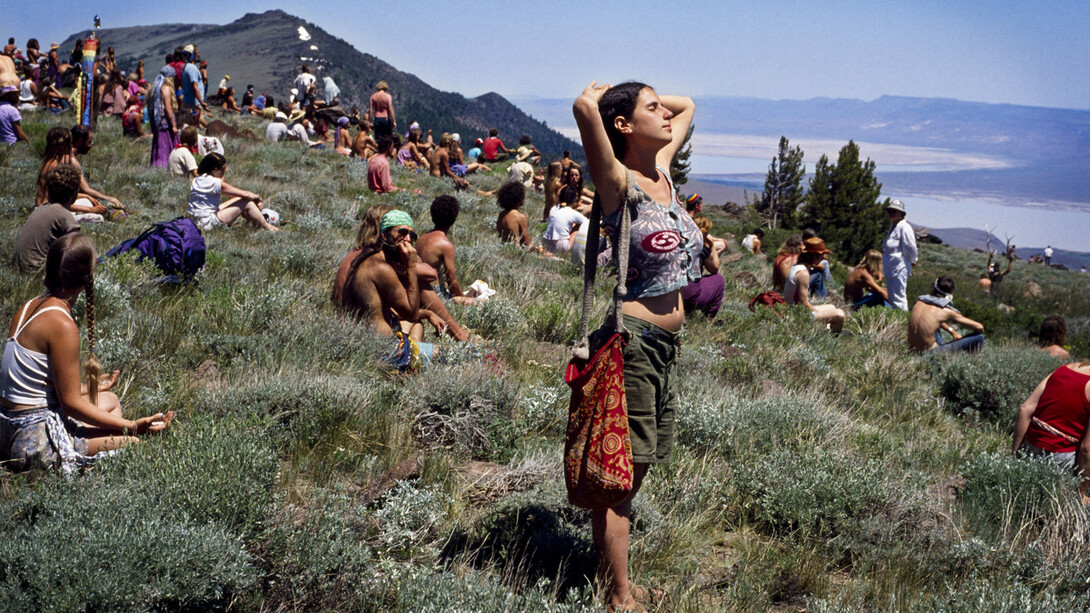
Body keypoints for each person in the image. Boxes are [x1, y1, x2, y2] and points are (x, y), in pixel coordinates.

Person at [574, 80, 701, 612]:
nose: (665, 116)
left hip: (664, 347)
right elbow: (585, 111)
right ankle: (619, 597)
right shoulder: (617, 181)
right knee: (622, 477)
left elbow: (688, 103)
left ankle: (615, 582)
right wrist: (597, 102)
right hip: (634, 342)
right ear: (623, 127)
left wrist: (644, 98)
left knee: (633, 470)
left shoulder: (662, 170)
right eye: (652, 110)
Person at [1, 233, 174, 473]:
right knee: (132, 443)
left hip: (8, 426)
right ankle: (86, 473)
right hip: (32, 440)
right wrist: (133, 426)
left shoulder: (29, 306)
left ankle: (89, 453)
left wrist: (93, 388)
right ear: (87, 278)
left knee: (111, 400)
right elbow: (70, 405)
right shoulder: (62, 325)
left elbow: (38, 386)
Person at [338, 210, 446, 368]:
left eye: (412, 236)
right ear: (384, 235)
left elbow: (396, 311)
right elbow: (411, 312)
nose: (408, 240)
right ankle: (412, 364)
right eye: (402, 233)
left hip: (370, 343)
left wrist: (429, 313)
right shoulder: (381, 269)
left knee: (417, 324)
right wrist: (410, 266)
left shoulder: (371, 259)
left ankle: (415, 365)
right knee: (461, 354)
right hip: (387, 351)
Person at [1011, 360, 1090, 502]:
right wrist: (1080, 492)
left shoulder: (1064, 369)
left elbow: (1025, 409)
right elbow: (1087, 449)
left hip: (1030, 448)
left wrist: (1015, 458)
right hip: (1060, 458)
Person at [35, 126, 125, 218]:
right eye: (69, 143)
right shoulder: (56, 165)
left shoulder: (52, 162)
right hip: (47, 212)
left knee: (88, 202)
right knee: (98, 218)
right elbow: (56, 203)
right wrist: (90, 209)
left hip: (49, 209)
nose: (71, 146)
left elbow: (60, 197)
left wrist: (87, 197)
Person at [12, 164, 82, 274]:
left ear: (48, 191)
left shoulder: (40, 209)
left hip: (19, 268)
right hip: (37, 272)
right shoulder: (64, 215)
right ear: (74, 193)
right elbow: (78, 252)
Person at [187, 153, 278, 232]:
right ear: (215, 169)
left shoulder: (197, 179)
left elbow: (238, 196)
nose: (225, 171)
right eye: (223, 169)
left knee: (240, 199)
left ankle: (256, 222)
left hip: (196, 221)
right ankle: (268, 227)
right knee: (247, 203)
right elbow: (246, 194)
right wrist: (258, 198)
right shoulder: (215, 183)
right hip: (208, 223)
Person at [907, 276, 984, 353]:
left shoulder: (919, 301)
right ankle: (972, 360)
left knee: (931, 324)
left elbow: (934, 320)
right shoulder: (946, 311)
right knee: (979, 337)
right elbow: (979, 327)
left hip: (912, 350)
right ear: (949, 296)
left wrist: (952, 331)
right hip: (929, 353)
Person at [784, 238, 846, 333]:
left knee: (831, 307)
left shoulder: (797, 267)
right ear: (814, 256)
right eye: (821, 255)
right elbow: (803, 303)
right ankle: (833, 337)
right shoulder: (803, 274)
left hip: (793, 310)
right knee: (840, 314)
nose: (823, 258)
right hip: (797, 315)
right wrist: (819, 313)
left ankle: (826, 330)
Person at [681, 216, 725, 317]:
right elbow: (715, 268)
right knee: (718, 279)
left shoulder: (679, 242)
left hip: (669, 294)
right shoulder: (701, 248)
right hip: (688, 295)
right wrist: (712, 245)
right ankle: (709, 317)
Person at [882, 199, 918, 310]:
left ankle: (902, 322)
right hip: (891, 268)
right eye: (890, 211)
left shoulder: (904, 227)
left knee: (899, 297)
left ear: (901, 214)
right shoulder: (893, 227)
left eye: (895, 211)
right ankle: (895, 321)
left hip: (899, 267)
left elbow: (910, 246)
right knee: (892, 297)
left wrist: (912, 260)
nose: (891, 214)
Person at [541, 186, 589, 254]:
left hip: (546, 243)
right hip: (561, 246)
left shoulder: (554, 208)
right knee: (579, 226)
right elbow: (587, 222)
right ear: (574, 199)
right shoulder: (572, 213)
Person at [148, 64, 178, 168]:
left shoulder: (155, 88)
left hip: (157, 124)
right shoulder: (166, 88)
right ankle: (166, 166)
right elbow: (168, 108)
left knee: (159, 146)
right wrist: (173, 125)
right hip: (165, 124)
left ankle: (157, 166)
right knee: (166, 146)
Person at [178, 45, 208, 128]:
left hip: (188, 100)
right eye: (196, 53)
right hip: (193, 103)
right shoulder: (192, 68)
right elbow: (195, 87)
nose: (198, 55)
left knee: (193, 124)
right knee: (193, 125)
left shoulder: (186, 67)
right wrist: (202, 102)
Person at [495, 181, 531, 247]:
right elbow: (526, 245)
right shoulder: (520, 217)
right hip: (516, 253)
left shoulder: (501, 215)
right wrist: (539, 250)